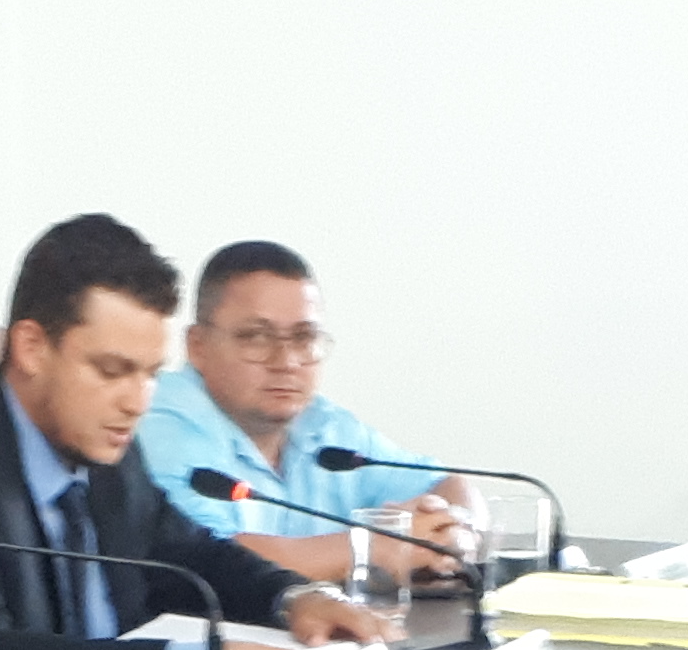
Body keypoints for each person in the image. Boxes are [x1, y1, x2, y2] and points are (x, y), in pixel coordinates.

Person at [0, 213, 382, 650]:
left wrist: (296, 598)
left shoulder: (106, 451)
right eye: (112, 371)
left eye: (150, 374)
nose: (136, 402)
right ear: (32, 348)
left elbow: (192, 554)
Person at [136, 240, 470, 591]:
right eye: (257, 337)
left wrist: (456, 533)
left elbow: (449, 485)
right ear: (198, 347)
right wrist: (379, 547)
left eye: (303, 338)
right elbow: (211, 562)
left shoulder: (323, 425)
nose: (287, 361)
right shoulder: (160, 423)